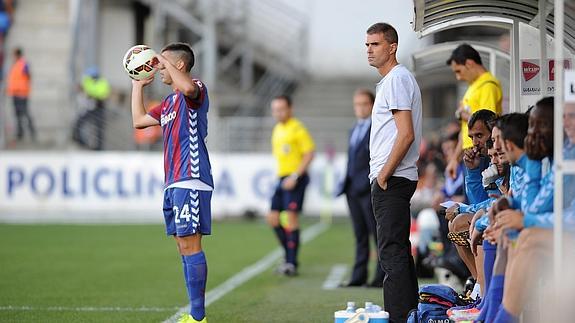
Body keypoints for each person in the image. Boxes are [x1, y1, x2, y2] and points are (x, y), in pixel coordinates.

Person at [129, 42, 211, 323]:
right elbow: (139, 121)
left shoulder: (195, 89)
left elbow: (188, 88)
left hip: (191, 177)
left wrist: (164, 63)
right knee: (182, 245)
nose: (157, 66)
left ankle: (198, 317)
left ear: (179, 65)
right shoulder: (167, 103)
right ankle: (195, 314)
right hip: (174, 180)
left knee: (191, 244)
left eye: (162, 62)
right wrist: (138, 84)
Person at [365, 22, 422, 323]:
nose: (369, 50)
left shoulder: (397, 79)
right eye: (367, 45)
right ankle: (410, 314)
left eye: (375, 44)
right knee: (397, 250)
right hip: (395, 178)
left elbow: (405, 134)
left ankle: (399, 317)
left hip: (394, 179)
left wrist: (384, 174)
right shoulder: (392, 80)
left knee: (391, 252)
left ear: (392, 47)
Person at [336, 89, 384, 288]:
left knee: (376, 233)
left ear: (372, 105)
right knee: (360, 235)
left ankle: (380, 277)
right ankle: (358, 276)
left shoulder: (376, 128)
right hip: (352, 188)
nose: (360, 108)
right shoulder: (354, 128)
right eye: (357, 104)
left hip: (366, 188)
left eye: (364, 104)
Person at [267, 95, 315, 276]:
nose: (278, 113)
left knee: (292, 219)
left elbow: (309, 154)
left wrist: (295, 176)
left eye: (281, 109)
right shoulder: (278, 129)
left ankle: (291, 263)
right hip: (281, 178)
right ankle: (288, 257)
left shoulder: (298, 128)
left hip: (295, 179)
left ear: (290, 109)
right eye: (275, 110)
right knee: (272, 218)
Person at [445, 44, 502, 180]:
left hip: (482, 153)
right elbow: (466, 130)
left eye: (458, 71)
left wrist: (463, 115)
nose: (458, 77)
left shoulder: (488, 86)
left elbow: (489, 122)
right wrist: (454, 158)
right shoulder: (473, 88)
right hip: (471, 154)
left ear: (469, 63)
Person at [73, 67, 110, 150]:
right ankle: (79, 140)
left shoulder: (102, 82)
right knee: (79, 123)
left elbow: (102, 94)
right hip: (89, 107)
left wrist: (90, 93)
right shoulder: (87, 80)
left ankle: (98, 148)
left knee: (99, 128)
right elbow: (84, 88)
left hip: (99, 107)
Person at [6, 47, 35, 141]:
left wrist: (25, 88)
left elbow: (28, 76)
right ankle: (20, 133)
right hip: (15, 93)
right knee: (17, 114)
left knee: (25, 113)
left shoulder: (23, 64)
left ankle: (32, 131)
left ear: (17, 54)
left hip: (22, 93)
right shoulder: (15, 64)